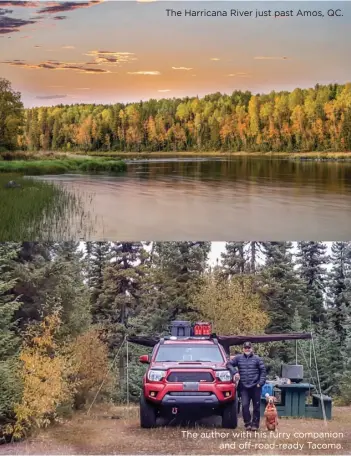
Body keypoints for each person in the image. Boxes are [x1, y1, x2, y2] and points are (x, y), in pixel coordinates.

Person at [226, 341, 266, 431]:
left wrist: (261, 382)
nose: (247, 349)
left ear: (251, 349)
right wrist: (235, 372)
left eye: (249, 348)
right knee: (244, 406)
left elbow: (263, 371)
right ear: (243, 349)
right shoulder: (238, 358)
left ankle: (255, 425)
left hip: (256, 386)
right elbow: (228, 364)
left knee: (256, 406)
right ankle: (247, 423)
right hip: (244, 386)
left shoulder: (257, 359)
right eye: (245, 348)